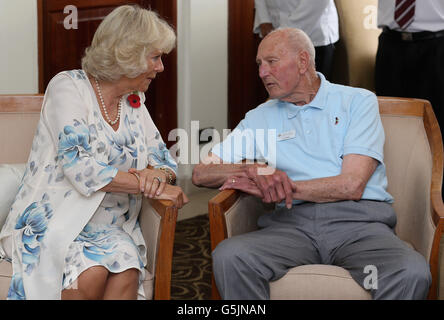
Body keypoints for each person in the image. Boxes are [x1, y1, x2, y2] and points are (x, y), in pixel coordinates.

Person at [192, 28, 431, 300]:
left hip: (359, 227)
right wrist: (251, 170)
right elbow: (201, 172)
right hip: (291, 227)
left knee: (410, 272)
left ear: (303, 61)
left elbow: (352, 185)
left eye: (271, 62)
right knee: (231, 257)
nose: (262, 73)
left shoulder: (356, 101)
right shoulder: (260, 117)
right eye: (259, 64)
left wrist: (282, 187)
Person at [0, 5, 188, 300]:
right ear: (128, 56)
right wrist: (146, 183)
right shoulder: (68, 87)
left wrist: (160, 176)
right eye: (155, 57)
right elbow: (80, 168)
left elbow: (164, 159)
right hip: (55, 221)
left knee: (126, 267)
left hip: (109, 225)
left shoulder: (134, 100)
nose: (161, 67)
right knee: (91, 272)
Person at [375, 0, 444, 199]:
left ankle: (437, 203)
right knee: (389, 125)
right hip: (391, 45)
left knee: (438, 126)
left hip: (437, 45)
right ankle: (394, 195)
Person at [253, 0, 339, 80]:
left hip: (312, 36)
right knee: (278, 90)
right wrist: (264, 19)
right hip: (274, 32)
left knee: (310, 92)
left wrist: (280, 35)